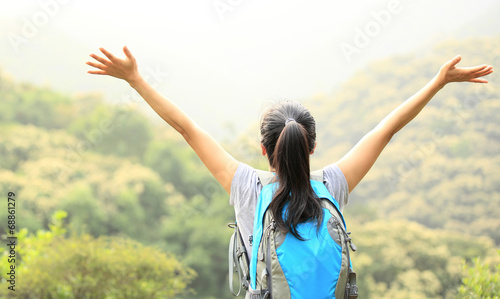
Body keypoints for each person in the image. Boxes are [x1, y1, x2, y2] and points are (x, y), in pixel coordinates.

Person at [86, 46, 493, 296]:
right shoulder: (332, 184)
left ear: (264, 150)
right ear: (312, 146)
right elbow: (384, 131)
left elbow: (187, 128)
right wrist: (437, 82)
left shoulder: (246, 186)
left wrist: (136, 80)